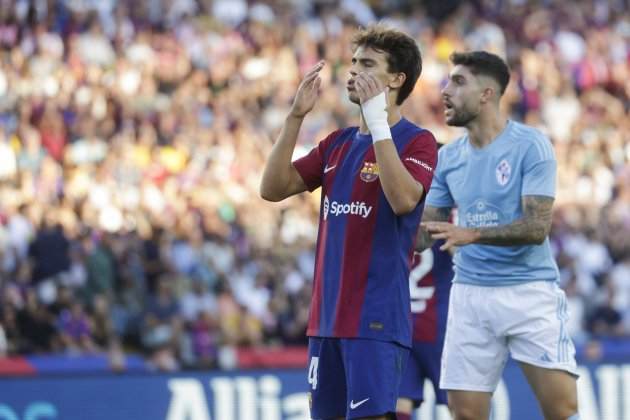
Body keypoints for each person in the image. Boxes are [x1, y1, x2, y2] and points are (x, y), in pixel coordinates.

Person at [259, 25, 438, 420]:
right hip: (325, 320)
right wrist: (294, 118)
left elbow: (404, 199)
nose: (354, 71)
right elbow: (271, 189)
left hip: (375, 322)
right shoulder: (336, 143)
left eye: (368, 64)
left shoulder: (418, 141)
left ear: (396, 78)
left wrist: (378, 125)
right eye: (354, 62)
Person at [417, 51, 579, 420]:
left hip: (528, 292)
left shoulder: (530, 145)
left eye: (458, 82)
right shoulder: (449, 157)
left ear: (487, 94)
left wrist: (472, 234)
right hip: (470, 295)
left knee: (562, 410)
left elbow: (537, 228)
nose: (445, 91)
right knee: (466, 414)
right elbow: (426, 233)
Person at [396, 236, 454, 420]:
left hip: (405, 325)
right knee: (459, 404)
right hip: (439, 326)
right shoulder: (447, 214)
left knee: (400, 401)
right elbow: (463, 256)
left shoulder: (401, 212)